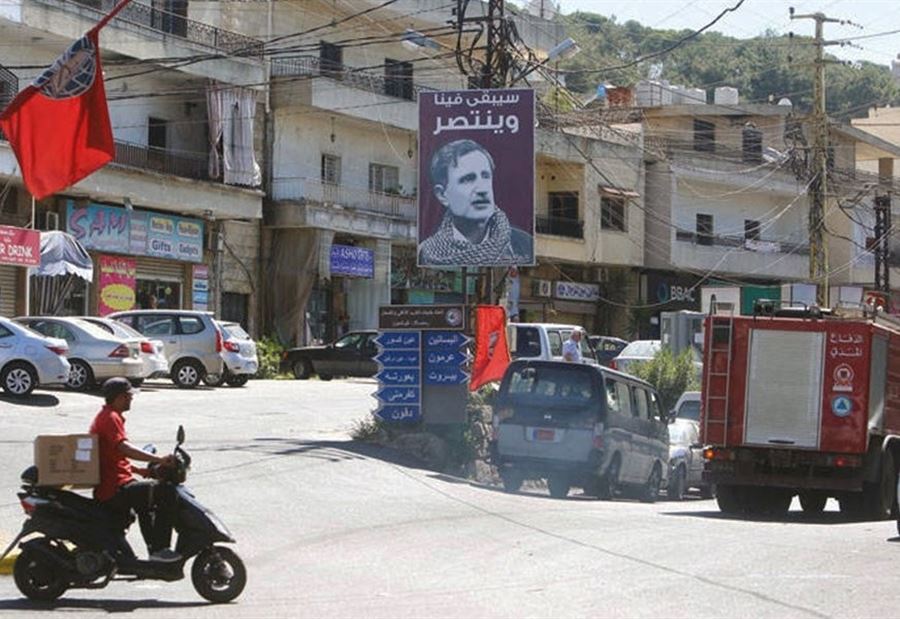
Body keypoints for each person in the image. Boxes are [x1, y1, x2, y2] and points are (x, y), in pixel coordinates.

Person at [90, 377, 180, 563]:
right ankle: (160, 549)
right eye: (128, 396)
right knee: (166, 492)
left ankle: (154, 552)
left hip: (117, 483)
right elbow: (124, 449)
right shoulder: (110, 418)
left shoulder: (109, 416)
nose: (131, 399)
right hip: (114, 488)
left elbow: (113, 456)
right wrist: (159, 459)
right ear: (118, 397)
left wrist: (141, 471)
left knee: (145, 503)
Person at [418, 139, 533, 266]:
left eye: (485, 176)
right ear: (442, 195)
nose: (482, 189)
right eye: (468, 179)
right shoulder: (427, 253)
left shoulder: (524, 246)